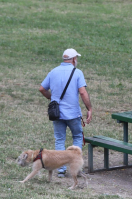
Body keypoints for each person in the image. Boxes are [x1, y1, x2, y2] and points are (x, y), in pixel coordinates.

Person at [39, 48, 92, 178]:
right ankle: (77, 167)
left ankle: (61, 169)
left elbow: (42, 88)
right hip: (73, 113)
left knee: (60, 139)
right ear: (74, 59)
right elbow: (83, 92)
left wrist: (52, 98)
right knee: (77, 137)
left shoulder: (53, 71)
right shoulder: (77, 72)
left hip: (57, 113)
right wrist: (89, 108)